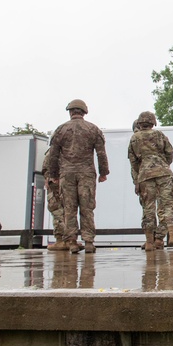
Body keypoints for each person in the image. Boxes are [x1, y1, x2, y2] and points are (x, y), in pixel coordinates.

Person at [46, 99, 109, 254]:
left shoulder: (61, 130)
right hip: (86, 173)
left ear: (70, 112)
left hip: (66, 174)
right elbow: (101, 154)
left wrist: (53, 175)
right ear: (84, 112)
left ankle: (72, 242)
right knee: (87, 207)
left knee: (69, 208)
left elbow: (53, 156)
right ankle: (88, 242)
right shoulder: (93, 129)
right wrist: (103, 173)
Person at [128, 110, 173, 252]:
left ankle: (149, 242)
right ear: (153, 122)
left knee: (148, 208)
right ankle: (172, 236)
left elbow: (133, 161)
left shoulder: (134, 138)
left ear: (139, 123)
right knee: (168, 203)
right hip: (163, 173)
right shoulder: (159, 135)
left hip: (145, 175)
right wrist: (163, 164)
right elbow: (169, 152)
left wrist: (139, 177)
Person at [41, 148, 66, 251]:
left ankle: (62, 240)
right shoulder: (67, 149)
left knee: (58, 211)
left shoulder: (54, 151)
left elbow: (45, 168)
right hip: (62, 185)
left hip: (56, 185)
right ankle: (65, 240)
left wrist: (50, 178)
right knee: (63, 212)